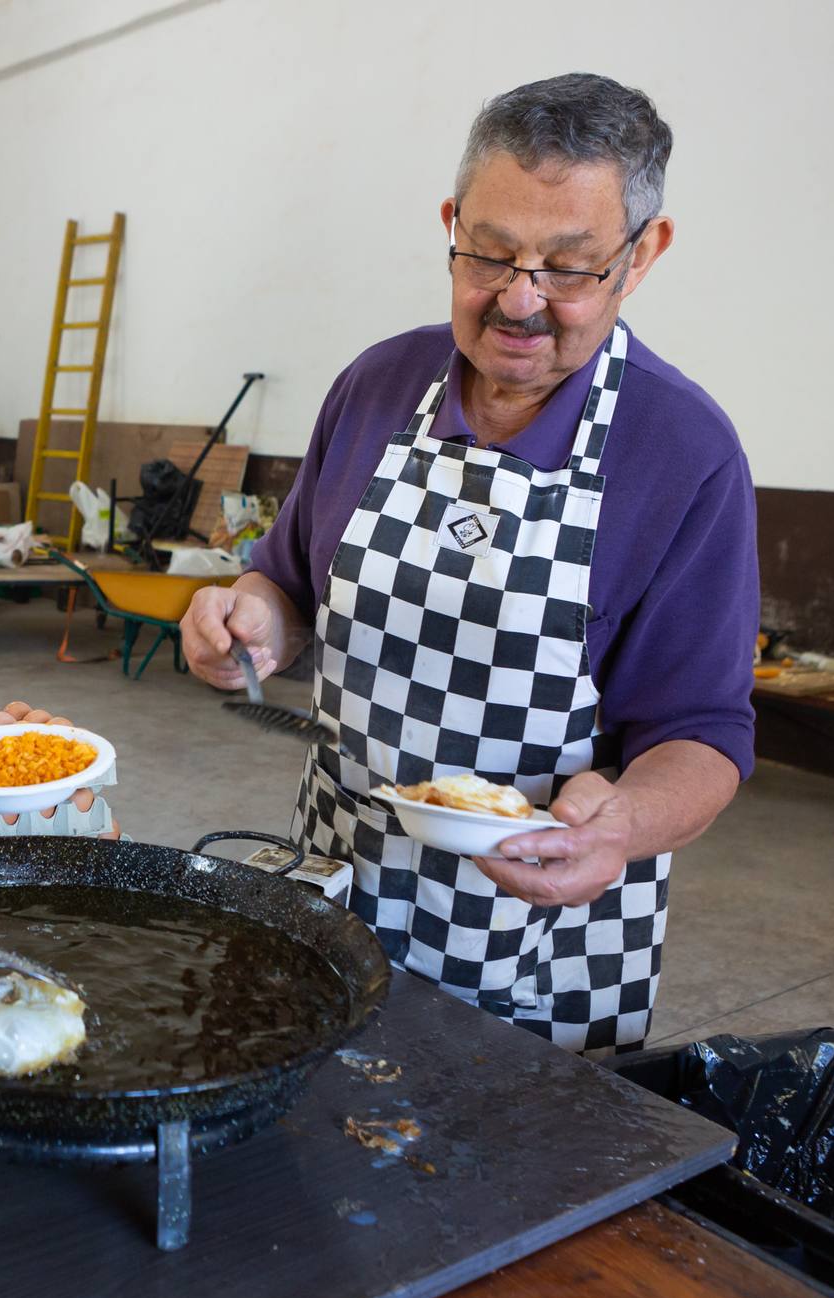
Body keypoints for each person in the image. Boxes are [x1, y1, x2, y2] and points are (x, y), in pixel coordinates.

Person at [180, 73, 756, 1058]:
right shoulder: (375, 386)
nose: (520, 300)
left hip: (536, 925)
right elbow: (288, 585)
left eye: (569, 268)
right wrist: (251, 621)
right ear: (452, 223)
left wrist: (618, 826)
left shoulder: (684, 452)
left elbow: (702, 735)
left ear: (641, 256)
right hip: (337, 874)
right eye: (490, 254)